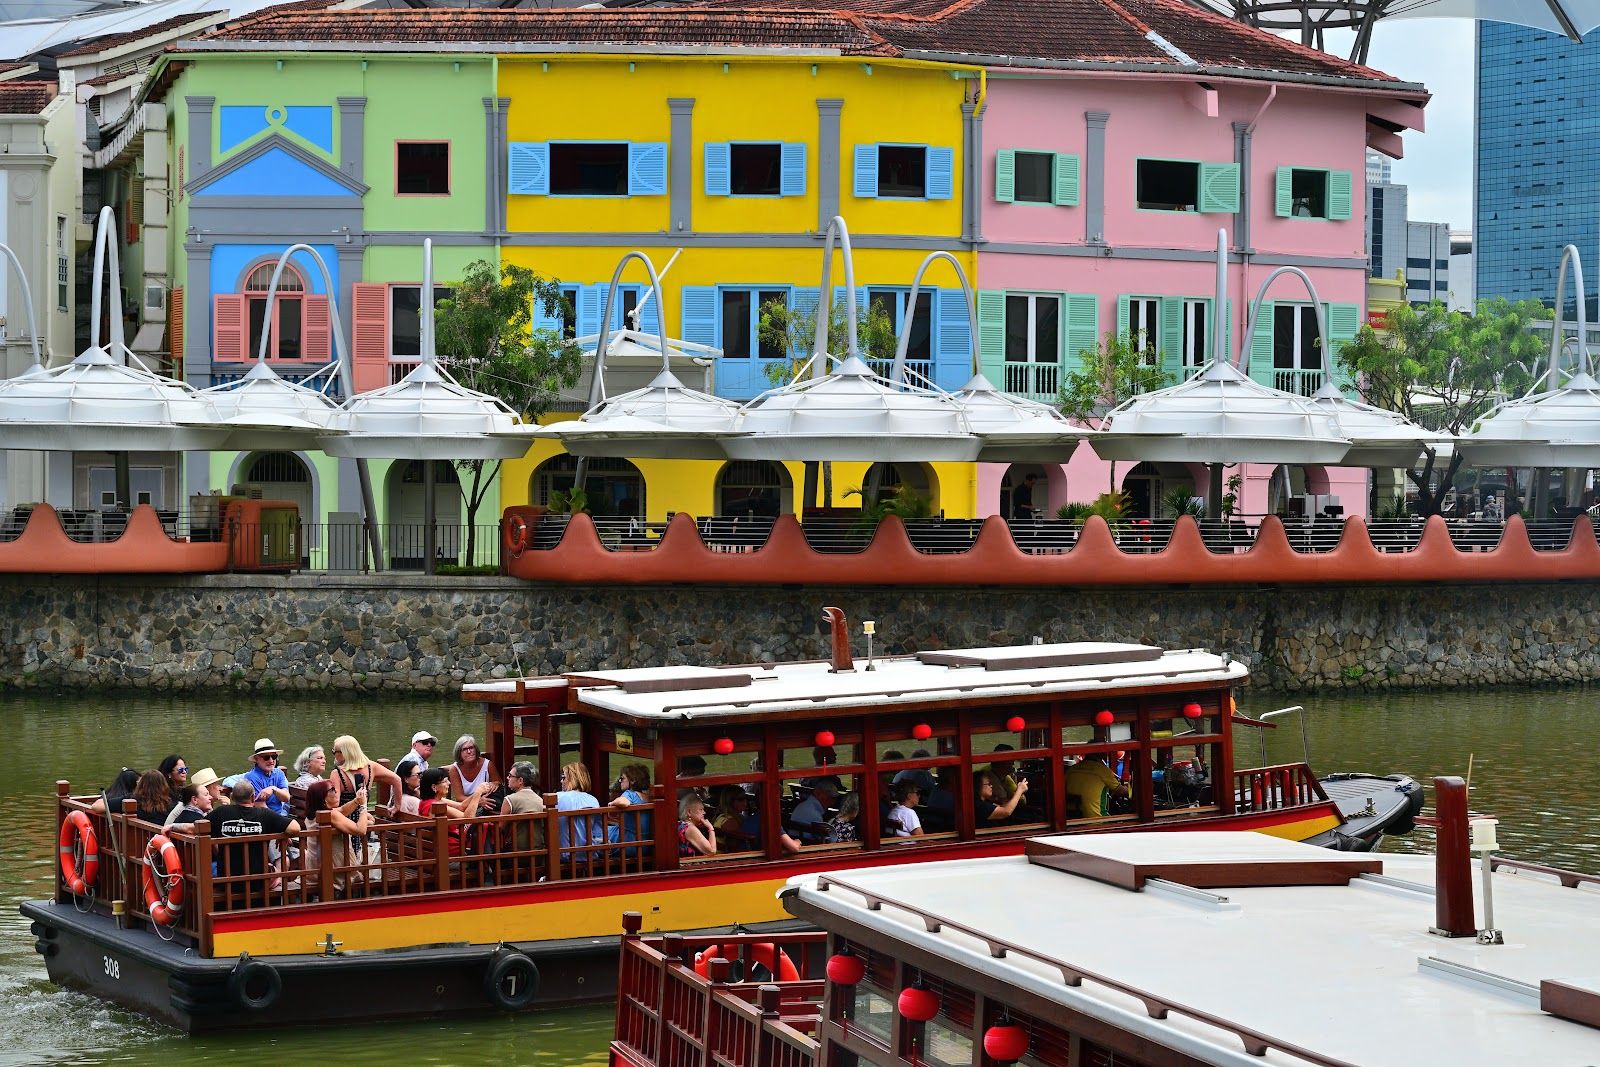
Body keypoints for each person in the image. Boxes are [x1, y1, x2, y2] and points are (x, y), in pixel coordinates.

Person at [209, 780, 299, 903]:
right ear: (252, 797)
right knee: (275, 873)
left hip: (228, 883)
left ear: (232, 797)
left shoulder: (221, 813)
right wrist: (281, 834)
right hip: (258, 882)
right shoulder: (264, 814)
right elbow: (295, 828)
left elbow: (195, 828)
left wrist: (174, 827)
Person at [305, 779, 374, 893]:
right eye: (332, 789)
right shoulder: (331, 815)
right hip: (333, 873)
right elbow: (360, 830)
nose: (336, 790)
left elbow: (341, 810)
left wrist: (356, 800)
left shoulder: (314, 814)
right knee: (372, 869)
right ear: (323, 799)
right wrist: (363, 806)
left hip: (315, 870)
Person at [418, 768, 491, 856]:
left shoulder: (428, 801)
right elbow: (467, 819)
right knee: (483, 827)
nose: (449, 783)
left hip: (435, 848)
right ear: (434, 787)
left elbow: (461, 806)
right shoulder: (436, 806)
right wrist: (478, 793)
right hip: (448, 852)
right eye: (445, 781)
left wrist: (478, 792)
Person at [330, 735, 402, 816]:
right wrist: (397, 806)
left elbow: (334, 803)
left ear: (344, 753)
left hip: (343, 821)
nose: (334, 755)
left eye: (334, 752)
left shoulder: (336, 774)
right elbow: (397, 779)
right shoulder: (371, 767)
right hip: (363, 819)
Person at [555, 762, 602, 855]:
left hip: (564, 854)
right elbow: (598, 832)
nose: (561, 781)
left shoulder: (558, 797)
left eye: (563, 778)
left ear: (573, 779)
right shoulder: (593, 800)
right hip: (589, 854)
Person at [1065, 753, 1128, 819]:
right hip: (1097, 820)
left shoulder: (1071, 769)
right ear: (1102, 755)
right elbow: (1121, 791)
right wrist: (1129, 790)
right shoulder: (1102, 770)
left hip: (1072, 819)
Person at [501, 762, 545, 854]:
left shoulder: (509, 800)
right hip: (539, 853)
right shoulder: (540, 800)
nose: (507, 778)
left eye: (510, 775)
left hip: (515, 854)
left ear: (520, 780)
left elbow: (500, 827)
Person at [608, 763, 653, 848]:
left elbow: (623, 802)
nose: (620, 781)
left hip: (628, 844)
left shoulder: (630, 794)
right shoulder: (649, 798)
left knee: (599, 833)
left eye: (622, 778)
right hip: (646, 845)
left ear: (632, 780)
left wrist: (612, 803)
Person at [243, 738, 291, 815]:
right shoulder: (251, 777)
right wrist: (281, 822)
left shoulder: (279, 773)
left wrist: (273, 789)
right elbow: (261, 808)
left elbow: (286, 798)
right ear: (257, 759)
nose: (271, 761)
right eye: (266, 757)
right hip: (262, 819)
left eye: (274, 756)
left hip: (280, 815)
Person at [447, 735, 498, 806]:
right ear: (459, 753)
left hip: (486, 805)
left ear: (476, 749)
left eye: (471, 748)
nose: (469, 751)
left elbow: (498, 783)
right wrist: (478, 801)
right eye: (464, 749)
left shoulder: (488, 764)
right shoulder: (454, 769)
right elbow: (459, 797)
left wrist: (495, 783)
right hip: (466, 806)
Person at [791, 779, 837, 843]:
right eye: (830, 798)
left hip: (795, 839)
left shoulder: (803, 806)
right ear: (820, 794)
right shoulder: (815, 815)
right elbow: (822, 840)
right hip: (806, 844)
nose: (832, 803)